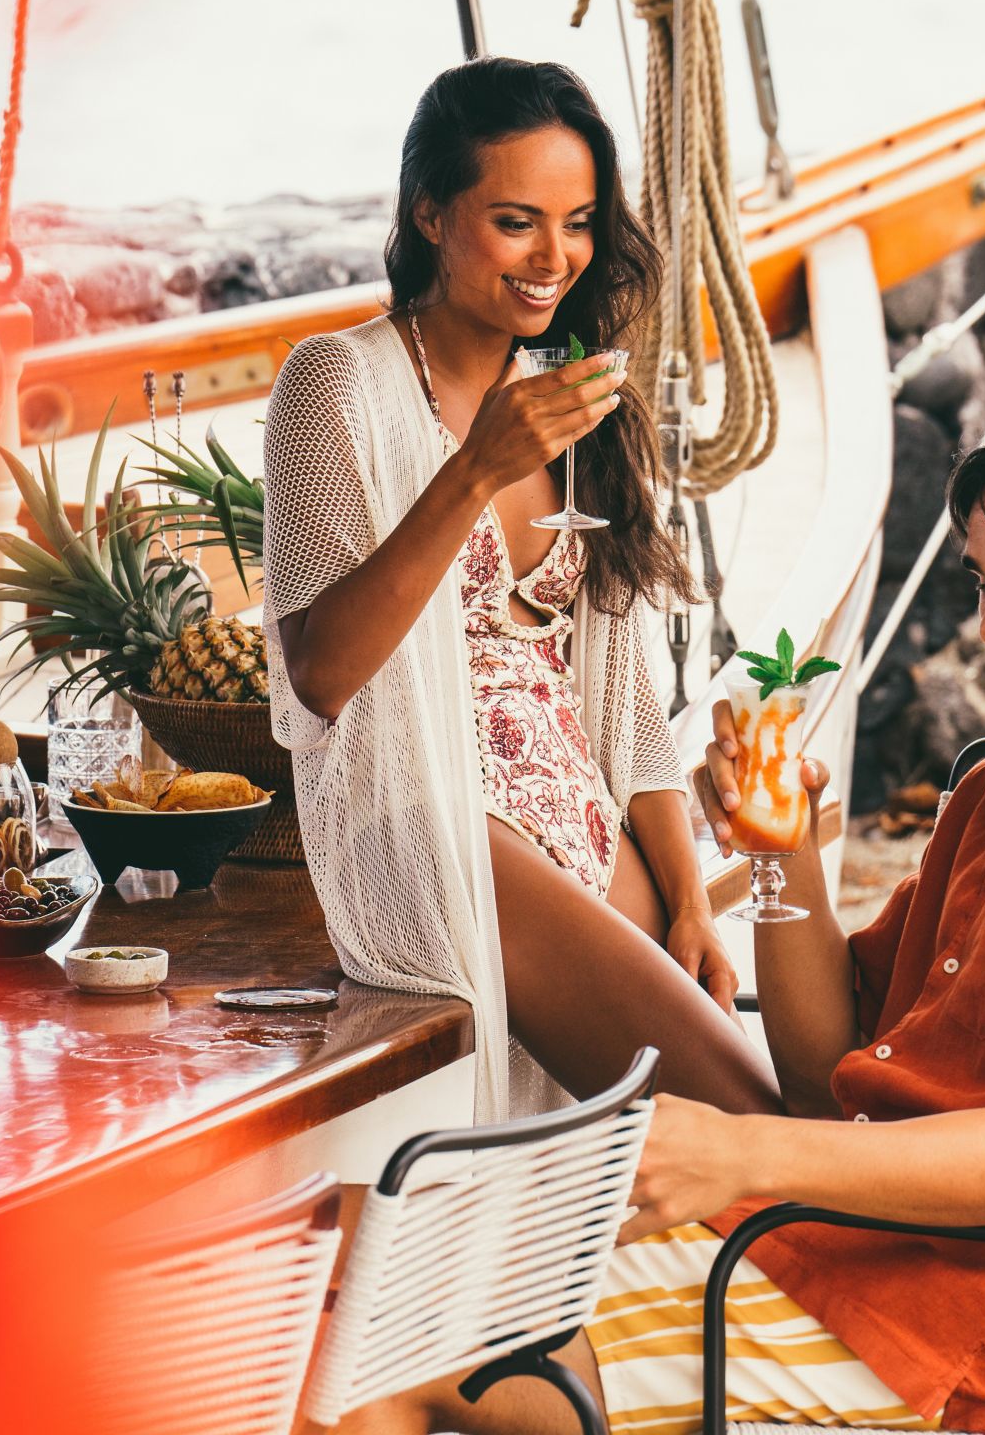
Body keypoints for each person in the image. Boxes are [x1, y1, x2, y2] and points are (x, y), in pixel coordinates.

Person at [330, 390, 985, 1435]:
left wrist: (739, 1155)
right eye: (983, 584)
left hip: (925, 1339)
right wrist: (779, 856)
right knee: (337, 1241)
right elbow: (824, 1063)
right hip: (821, 1241)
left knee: (369, 1351)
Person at [262, 57, 780, 1119]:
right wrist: (473, 472)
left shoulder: (575, 385)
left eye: (579, 222)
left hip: (580, 809)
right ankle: (934, 1268)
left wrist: (687, 896)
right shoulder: (336, 383)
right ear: (430, 212)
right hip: (423, 816)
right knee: (738, 1113)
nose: (555, 259)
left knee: (738, 1092)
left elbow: (621, 685)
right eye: (515, 221)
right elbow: (316, 675)